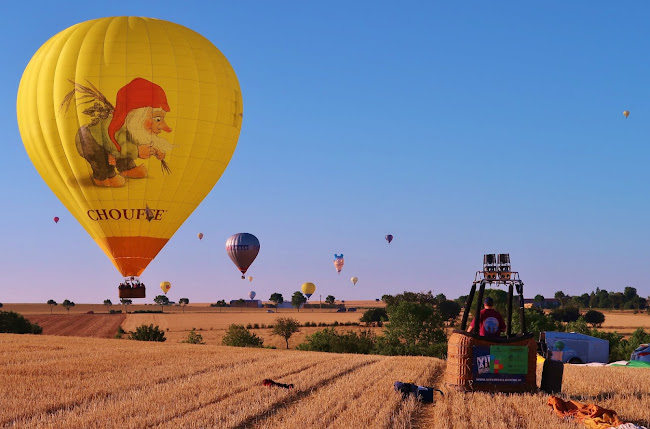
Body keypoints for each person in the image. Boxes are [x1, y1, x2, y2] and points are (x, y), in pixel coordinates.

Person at [72, 78, 175, 187]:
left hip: (111, 143)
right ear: (139, 116)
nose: (163, 127)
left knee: (128, 148)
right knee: (103, 158)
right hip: (89, 140)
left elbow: (135, 143)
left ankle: (127, 168)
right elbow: (118, 145)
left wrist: (155, 151)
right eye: (158, 119)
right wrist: (136, 151)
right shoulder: (117, 127)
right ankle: (103, 176)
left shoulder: (133, 128)